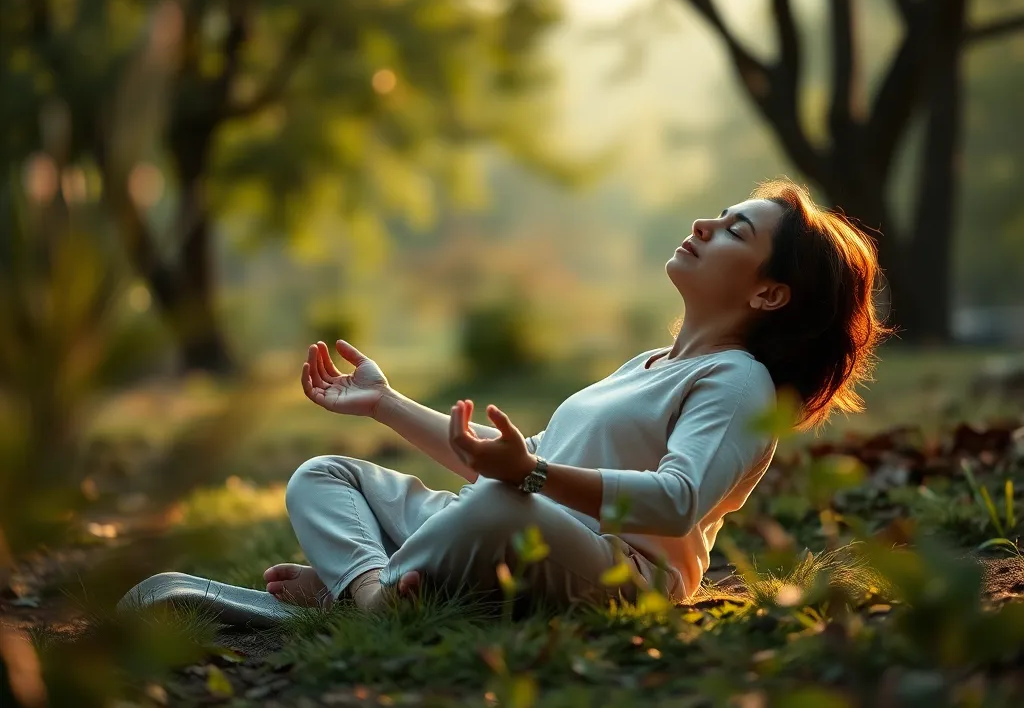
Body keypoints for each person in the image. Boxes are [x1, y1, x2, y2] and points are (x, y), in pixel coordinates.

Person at [120, 179, 887, 625]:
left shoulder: (737, 380)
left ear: (768, 290)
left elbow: (679, 503)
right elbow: (505, 464)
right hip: (512, 523)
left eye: (732, 230)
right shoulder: (644, 365)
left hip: (611, 576)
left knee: (495, 509)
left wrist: (533, 480)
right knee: (328, 474)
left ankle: (369, 589)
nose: (702, 224)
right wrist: (385, 404)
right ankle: (371, 590)